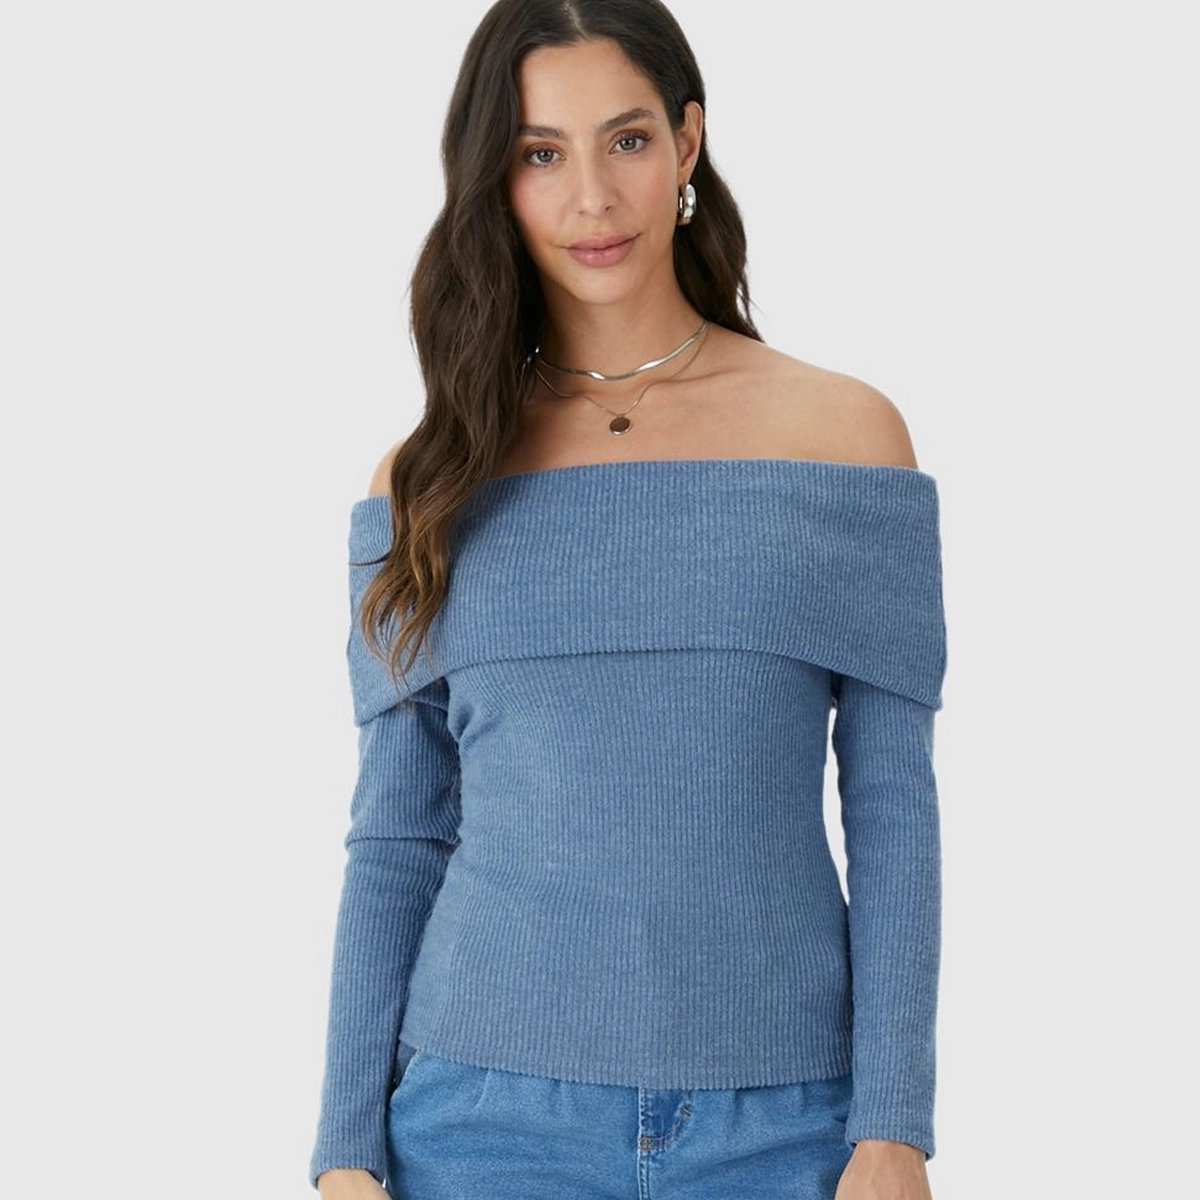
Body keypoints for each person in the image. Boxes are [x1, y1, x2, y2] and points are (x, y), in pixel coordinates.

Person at [309, 1, 948, 1197]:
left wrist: (893, 1126)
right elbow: (396, 834)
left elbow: (893, 810)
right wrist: (345, 1155)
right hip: (477, 1125)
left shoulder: (843, 438)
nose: (592, 197)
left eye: (628, 140)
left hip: (788, 1128)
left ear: (688, 140)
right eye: (541, 153)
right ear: (494, 179)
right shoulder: (430, 477)